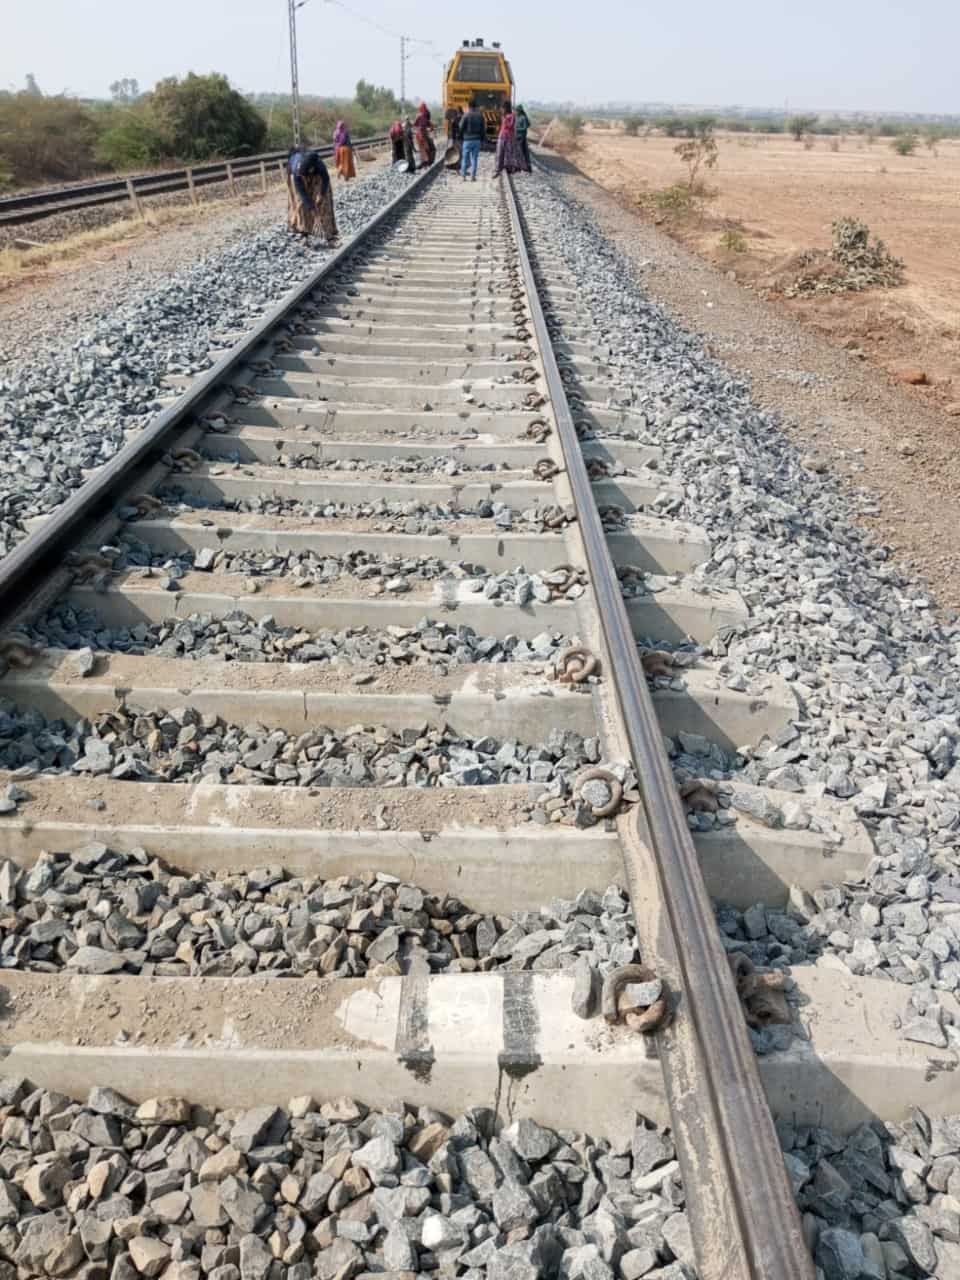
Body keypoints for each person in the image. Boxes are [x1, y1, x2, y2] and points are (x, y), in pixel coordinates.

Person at [286, 146, 337, 243]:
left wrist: (321, 195)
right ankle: (303, 231)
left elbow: (325, 179)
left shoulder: (319, 165)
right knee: (301, 203)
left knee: (324, 202)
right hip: (296, 177)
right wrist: (312, 208)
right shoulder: (297, 171)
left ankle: (329, 233)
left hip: (316, 175)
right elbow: (302, 193)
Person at [493, 110, 524, 178]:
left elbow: (510, 125)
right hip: (502, 136)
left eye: (503, 108)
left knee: (509, 154)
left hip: (509, 137)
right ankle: (499, 169)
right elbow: (502, 126)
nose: (502, 109)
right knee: (500, 153)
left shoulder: (511, 116)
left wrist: (505, 119)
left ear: (505, 108)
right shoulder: (504, 116)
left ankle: (509, 169)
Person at [459, 99, 485, 182]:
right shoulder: (480, 116)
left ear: (468, 106)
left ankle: (463, 176)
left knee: (464, 158)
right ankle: (473, 177)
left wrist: (461, 136)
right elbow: (483, 129)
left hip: (467, 140)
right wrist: (483, 139)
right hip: (477, 140)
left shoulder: (466, 115)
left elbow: (461, 127)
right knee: (474, 159)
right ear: (476, 106)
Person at [414, 101, 435, 166]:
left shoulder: (419, 115)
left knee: (421, 148)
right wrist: (430, 129)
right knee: (428, 147)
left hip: (419, 134)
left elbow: (414, 124)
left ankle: (423, 162)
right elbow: (430, 125)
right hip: (424, 134)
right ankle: (428, 161)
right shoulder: (427, 114)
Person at [515, 105, 532, 172]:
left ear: (519, 111)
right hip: (517, 137)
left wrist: (517, 129)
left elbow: (525, 127)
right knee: (519, 152)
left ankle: (520, 167)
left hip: (521, 137)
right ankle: (519, 166)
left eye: (516, 111)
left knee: (520, 152)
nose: (515, 112)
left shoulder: (523, 118)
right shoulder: (517, 117)